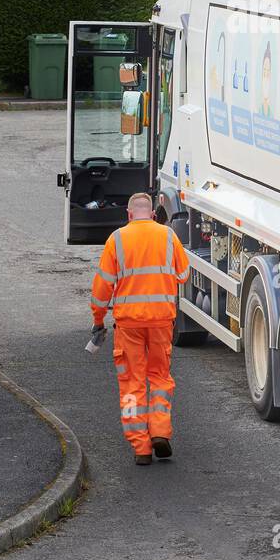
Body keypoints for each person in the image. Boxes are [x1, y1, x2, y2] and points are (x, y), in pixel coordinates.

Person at [90, 193, 190, 465]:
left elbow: (101, 289)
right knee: (160, 377)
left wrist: (98, 320)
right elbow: (183, 274)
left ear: (129, 214)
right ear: (153, 215)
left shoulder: (117, 239)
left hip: (129, 323)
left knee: (132, 383)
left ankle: (141, 447)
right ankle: (160, 432)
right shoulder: (168, 236)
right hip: (161, 320)